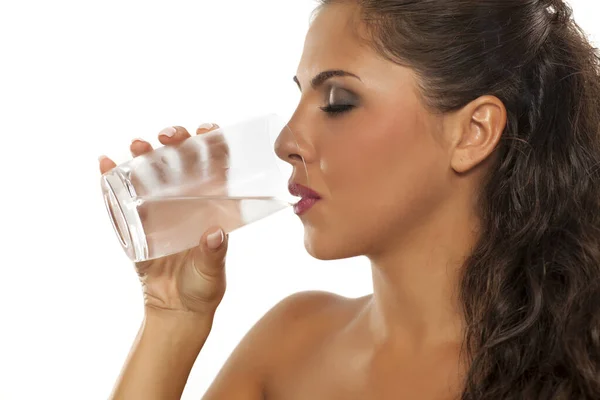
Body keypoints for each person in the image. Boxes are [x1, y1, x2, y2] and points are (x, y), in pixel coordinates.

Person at [98, 0, 600, 398]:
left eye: (338, 102)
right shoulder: (290, 346)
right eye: (300, 97)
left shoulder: (582, 366)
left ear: (472, 132)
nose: (286, 141)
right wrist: (172, 317)